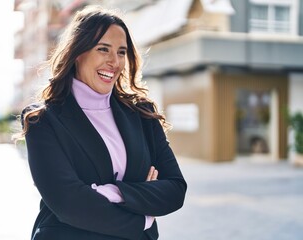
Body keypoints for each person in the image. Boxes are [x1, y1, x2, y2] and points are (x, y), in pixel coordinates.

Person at [18, 5, 187, 240]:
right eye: (103, 49)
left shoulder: (142, 113)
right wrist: (143, 215)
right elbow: (68, 204)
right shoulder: (43, 121)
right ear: (78, 53)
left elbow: (175, 189)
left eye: (121, 52)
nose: (114, 61)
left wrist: (115, 192)